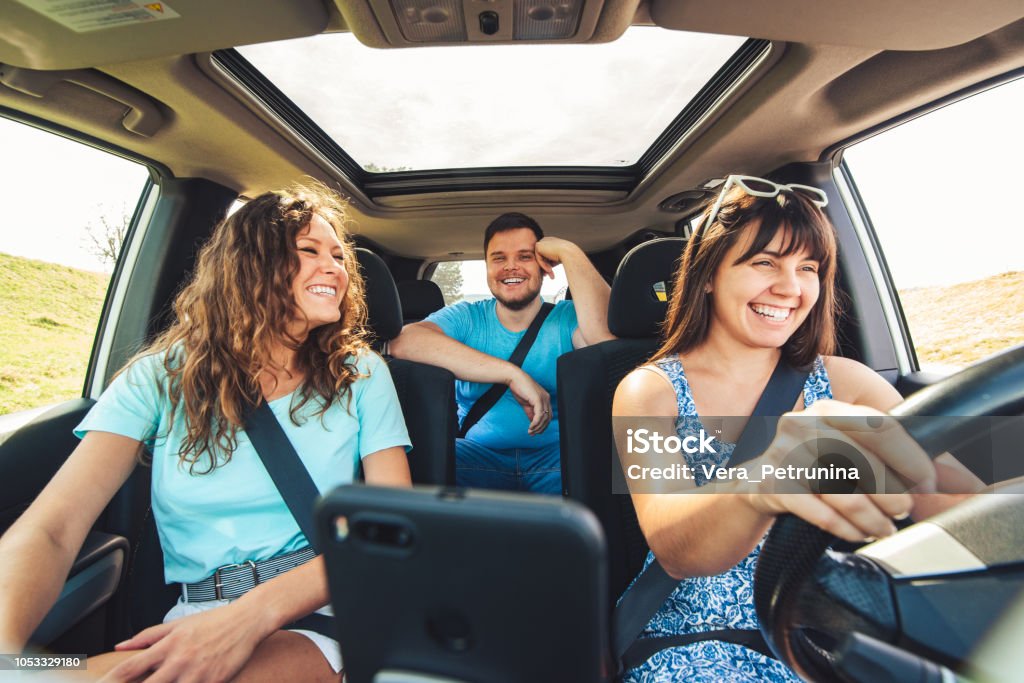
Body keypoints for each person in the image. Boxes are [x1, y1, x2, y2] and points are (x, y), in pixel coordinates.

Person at [0, 183, 412, 681]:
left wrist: (251, 616)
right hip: (197, 616)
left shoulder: (361, 374)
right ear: (250, 264)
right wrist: (8, 654)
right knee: (49, 674)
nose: (336, 268)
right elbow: (53, 527)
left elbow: (390, 529)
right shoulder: (158, 378)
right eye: (309, 250)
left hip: (327, 606)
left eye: (338, 256)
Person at [612, 175, 975, 681]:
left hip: (821, 631)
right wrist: (763, 481)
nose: (790, 287)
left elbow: (962, 504)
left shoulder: (848, 382)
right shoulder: (647, 392)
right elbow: (675, 551)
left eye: (808, 268)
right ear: (709, 274)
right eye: (764, 262)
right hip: (696, 640)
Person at [389, 212, 614, 494]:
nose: (511, 267)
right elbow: (404, 342)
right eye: (498, 258)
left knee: (615, 460)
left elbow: (605, 339)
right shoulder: (467, 317)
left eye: (524, 256)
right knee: (421, 461)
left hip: (560, 461)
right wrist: (511, 374)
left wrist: (568, 252)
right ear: (486, 267)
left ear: (544, 265)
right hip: (474, 458)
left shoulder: (569, 317)